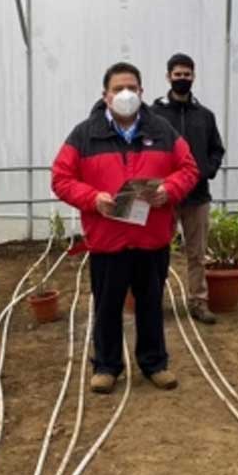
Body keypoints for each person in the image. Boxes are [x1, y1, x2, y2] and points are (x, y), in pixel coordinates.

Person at [51, 62, 200, 394]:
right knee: (107, 306)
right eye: (118, 89)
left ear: (142, 92)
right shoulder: (84, 134)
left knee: (150, 304)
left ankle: (154, 363)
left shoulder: (162, 130)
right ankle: (106, 366)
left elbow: (189, 169)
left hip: (151, 239)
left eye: (132, 88)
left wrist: (169, 190)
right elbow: (61, 178)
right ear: (105, 95)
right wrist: (92, 198)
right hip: (108, 240)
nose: (126, 94)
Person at [150, 53, 226, 324]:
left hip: (197, 196)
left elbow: (217, 148)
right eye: (177, 74)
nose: (182, 79)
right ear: (168, 76)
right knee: (157, 252)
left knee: (197, 254)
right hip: (164, 197)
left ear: (193, 77)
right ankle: (152, 302)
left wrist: (207, 169)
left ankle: (198, 302)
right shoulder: (154, 114)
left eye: (187, 74)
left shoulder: (204, 116)